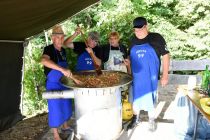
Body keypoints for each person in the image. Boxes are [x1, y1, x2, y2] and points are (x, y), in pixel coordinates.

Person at [126, 17, 170, 131]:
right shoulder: (131, 40)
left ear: (146, 26)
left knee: (151, 98)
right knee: (135, 99)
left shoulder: (156, 38)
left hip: (151, 77)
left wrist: (165, 75)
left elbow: (166, 56)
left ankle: (151, 120)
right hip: (136, 77)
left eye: (140, 29)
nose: (138, 32)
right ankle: (135, 119)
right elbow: (130, 57)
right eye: (136, 30)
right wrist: (128, 63)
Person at [41, 25, 73, 140]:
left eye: (62, 37)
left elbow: (65, 67)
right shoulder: (49, 49)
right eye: (58, 37)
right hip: (54, 83)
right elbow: (44, 60)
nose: (60, 40)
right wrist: (62, 69)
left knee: (66, 105)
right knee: (55, 108)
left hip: (64, 83)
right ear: (53, 38)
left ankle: (65, 126)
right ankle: (55, 135)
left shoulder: (63, 50)